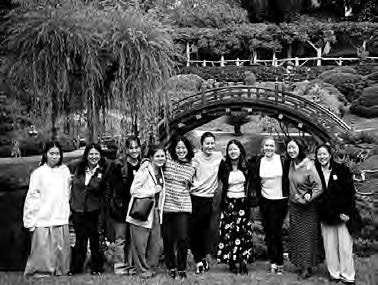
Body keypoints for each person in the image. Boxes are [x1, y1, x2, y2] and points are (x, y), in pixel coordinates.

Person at [23, 141, 71, 278]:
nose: (55, 157)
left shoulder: (64, 171)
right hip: (44, 216)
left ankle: (61, 269)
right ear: (45, 154)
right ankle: (40, 271)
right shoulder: (38, 173)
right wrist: (30, 219)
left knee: (61, 248)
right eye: (52, 153)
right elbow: (32, 197)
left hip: (60, 215)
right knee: (43, 248)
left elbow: (68, 191)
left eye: (57, 154)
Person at [314, 144, 357, 284]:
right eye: (319, 154)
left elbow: (350, 193)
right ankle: (335, 274)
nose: (322, 157)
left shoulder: (342, 169)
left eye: (324, 154)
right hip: (326, 215)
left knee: (345, 247)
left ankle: (348, 276)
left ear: (330, 155)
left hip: (342, 214)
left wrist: (347, 212)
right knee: (330, 246)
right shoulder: (314, 171)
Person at [70, 143, 111, 275]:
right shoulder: (78, 167)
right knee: (80, 240)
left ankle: (97, 268)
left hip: (95, 210)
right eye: (91, 154)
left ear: (100, 155)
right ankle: (76, 268)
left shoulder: (104, 170)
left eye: (96, 154)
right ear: (86, 155)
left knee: (95, 240)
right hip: (78, 209)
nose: (94, 157)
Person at [249, 136, 288, 275]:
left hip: (280, 200)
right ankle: (273, 262)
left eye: (271, 146)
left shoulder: (282, 160)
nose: (269, 148)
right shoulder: (259, 161)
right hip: (265, 200)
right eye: (266, 146)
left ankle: (280, 263)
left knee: (276, 231)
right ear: (263, 147)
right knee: (269, 231)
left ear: (275, 148)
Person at [126, 145, 166, 279]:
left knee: (155, 243)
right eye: (157, 156)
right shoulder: (144, 170)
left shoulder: (161, 171)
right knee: (140, 243)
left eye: (162, 156)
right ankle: (142, 270)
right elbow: (134, 190)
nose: (161, 159)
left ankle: (150, 267)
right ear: (151, 158)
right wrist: (152, 191)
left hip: (155, 211)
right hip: (142, 211)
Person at [285, 139, 323, 278]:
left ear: (300, 148)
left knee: (307, 238)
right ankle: (301, 264)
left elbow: (318, 187)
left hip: (307, 208)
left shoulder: (308, 166)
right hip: (294, 206)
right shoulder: (291, 164)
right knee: (297, 237)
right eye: (289, 148)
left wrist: (307, 198)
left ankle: (307, 267)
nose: (291, 150)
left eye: (294, 147)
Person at [216, 139, 254, 275]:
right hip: (228, 203)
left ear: (240, 150)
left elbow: (253, 183)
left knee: (243, 233)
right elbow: (220, 182)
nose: (233, 152)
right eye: (230, 149)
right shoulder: (224, 165)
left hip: (242, 202)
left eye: (235, 149)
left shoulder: (247, 165)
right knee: (229, 234)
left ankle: (243, 262)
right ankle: (232, 261)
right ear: (227, 152)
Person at [189, 131, 223, 274]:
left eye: (211, 143)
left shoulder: (218, 156)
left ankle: (203, 258)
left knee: (206, 231)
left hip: (210, 198)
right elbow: (189, 173)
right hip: (196, 196)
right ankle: (199, 260)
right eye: (207, 143)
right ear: (201, 144)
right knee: (194, 230)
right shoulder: (196, 157)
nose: (209, 146)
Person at [162, 135, 196, 279]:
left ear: (188, 149)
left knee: (183, 237)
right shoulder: (167, 160)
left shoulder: (193, 165)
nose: (181, 150)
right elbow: (153, 158)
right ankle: (171, 267)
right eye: (178, 148)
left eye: (183, 148)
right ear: (173, 149)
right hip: (166, 205)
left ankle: (181, 268)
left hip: (183, 205)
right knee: (168, 239)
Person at [108, 136, 141, 275]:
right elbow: (113, 186)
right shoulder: (118, 165)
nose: (134, 150)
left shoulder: (143, 165)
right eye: (131, 148)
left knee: (134, 238)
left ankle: (132, 265)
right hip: (122, 206)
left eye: (136, 147)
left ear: (140, 148)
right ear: (126, 149)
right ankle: (120, 266)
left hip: (138, 207)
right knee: (121, 238)